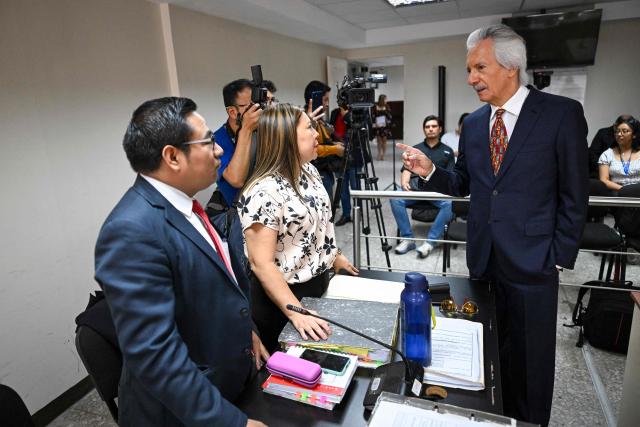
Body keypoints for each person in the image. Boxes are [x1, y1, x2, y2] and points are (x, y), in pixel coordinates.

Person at [398, 24, 588, 426]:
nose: (471, 79)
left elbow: (575, 193)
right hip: (484, 259)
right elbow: (464, 184)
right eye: (469, 69)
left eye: (479, 67)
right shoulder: (475, 123)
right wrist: (430, 169)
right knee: (487, 355)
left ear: (510, 66)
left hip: (535, 263)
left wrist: (558, 257)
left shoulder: (560, 114)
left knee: (530, 365)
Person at [95, 97, 268, 427]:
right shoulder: (130, 230)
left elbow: (222, 286)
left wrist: (249, 331)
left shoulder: (186, 206)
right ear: (172, 156)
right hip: (184, 414)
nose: (218, 150)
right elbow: (155, 354)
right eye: (208, 142)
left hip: (228, 382)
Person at [238, 104, 358, 352]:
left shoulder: (309, 171)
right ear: (286, 137)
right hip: (282, 301)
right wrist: (296, 312)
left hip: (317, 286)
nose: (317, 134)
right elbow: (262, 264)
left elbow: (317, 222)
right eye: (309, 127)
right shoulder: (264, 191)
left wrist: (333, 255)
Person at [391, 115, 454, 258]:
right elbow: (406, 169)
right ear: (424, 130)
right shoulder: (416, 149)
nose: (430, 129)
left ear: (440, 129)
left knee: (450, 203)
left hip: (436, 193)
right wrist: (404, 182)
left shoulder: (447, 151)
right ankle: (408, 239)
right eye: (427, 127)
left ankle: (431, 242)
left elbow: (450, 176)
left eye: (434, 126)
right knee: (395, 197)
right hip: (416, 191)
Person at [206, 79, 262, 216]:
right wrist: (246, 130)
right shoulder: (217, 140)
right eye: (251, 107)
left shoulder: (263, 130)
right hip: (239, 215)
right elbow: (236, 179)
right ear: (232, 112)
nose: (258, 110)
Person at [304, 80, 345, 200]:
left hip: (325, 169)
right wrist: (335, 149)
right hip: (316, 170)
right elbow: (312, 147)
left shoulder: (320, 118)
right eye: (325, 99)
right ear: (314, 99)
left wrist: (334, 143)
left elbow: (322, 140)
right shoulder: (306, 120)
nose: (327, 104)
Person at [598, 115, 640, 191]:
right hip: (617, 194)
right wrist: (624, 190)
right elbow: (604, 180)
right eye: (617, 131)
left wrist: (634, 191)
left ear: (634, 135)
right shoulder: (607, 155)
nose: (619, 134)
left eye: (625, 131)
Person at [373, 94, 392, 160]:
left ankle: (383, 154)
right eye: (385, 99)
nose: (386, 100)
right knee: (379, 141)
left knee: (384, 140)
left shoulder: (387, 106)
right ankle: (379, 153)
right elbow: (373, 116)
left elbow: (390, 117)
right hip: (378, 126)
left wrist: (386, 122)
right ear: (382, 99)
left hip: (385, 126)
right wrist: (374, 123)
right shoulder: (376, 106)